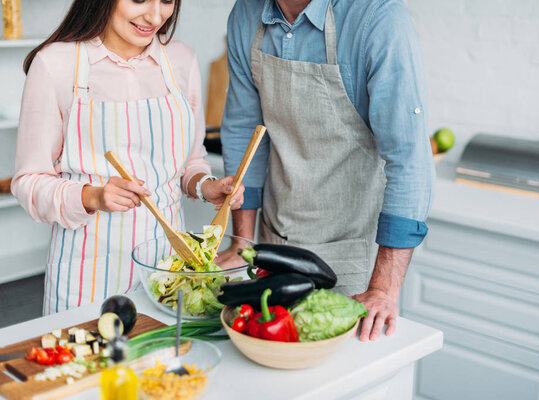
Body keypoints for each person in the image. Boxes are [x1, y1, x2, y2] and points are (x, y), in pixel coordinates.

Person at [219, 0, 434, 341]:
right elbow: (246, 130)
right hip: (272, 246)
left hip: (353, 264)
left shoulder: (378, 16)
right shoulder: (246, 12)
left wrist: (383, 289)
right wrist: (241, 241)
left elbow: (409, 158)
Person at [11, 0, 244, 315]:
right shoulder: (55, 64)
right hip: (87, 277)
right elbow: (28, 181)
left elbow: (190, 162)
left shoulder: (181, 59)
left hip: (169, 273)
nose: (154, 16)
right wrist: (93, 196)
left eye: (166, 1)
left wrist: (206, 185)